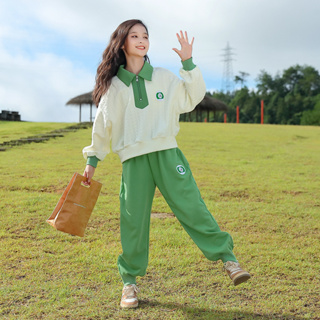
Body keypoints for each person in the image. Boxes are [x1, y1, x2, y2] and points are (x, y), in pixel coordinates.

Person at [83, 19, 250, 309]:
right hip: (133, 161)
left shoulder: (163, 77)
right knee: (133, 221)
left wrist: (188, 63)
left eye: (145, 35)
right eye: (134, 35)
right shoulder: (113, 87)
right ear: (122, 43)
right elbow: (102, 126)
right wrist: (92, 161)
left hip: (168, 155)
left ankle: (229, 260)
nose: (141, 40)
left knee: (192, 206)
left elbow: (192, 97)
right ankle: (129, 283)